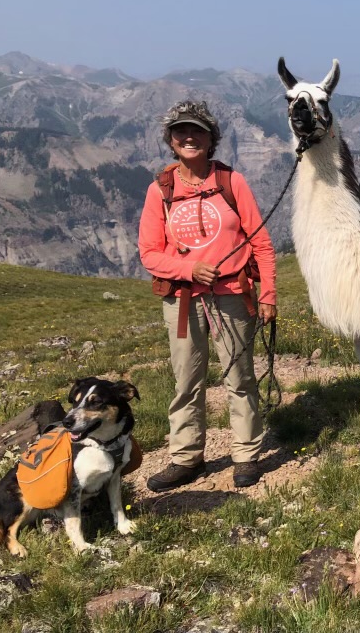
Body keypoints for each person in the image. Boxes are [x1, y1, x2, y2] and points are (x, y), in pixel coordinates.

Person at [138, 100, 277, 491]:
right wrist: (188, 269)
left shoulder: (233, 183)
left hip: (231, 294)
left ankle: (246, 455)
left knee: (240, 377)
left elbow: (261, 243)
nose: (188, 137)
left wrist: (268, 294)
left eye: (197, 131)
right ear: (170, 139)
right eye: (181, 131)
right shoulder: (160, 190)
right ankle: (186, 458)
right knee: (186, 380)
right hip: (182, 299)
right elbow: (149, 252)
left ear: (211, 138)